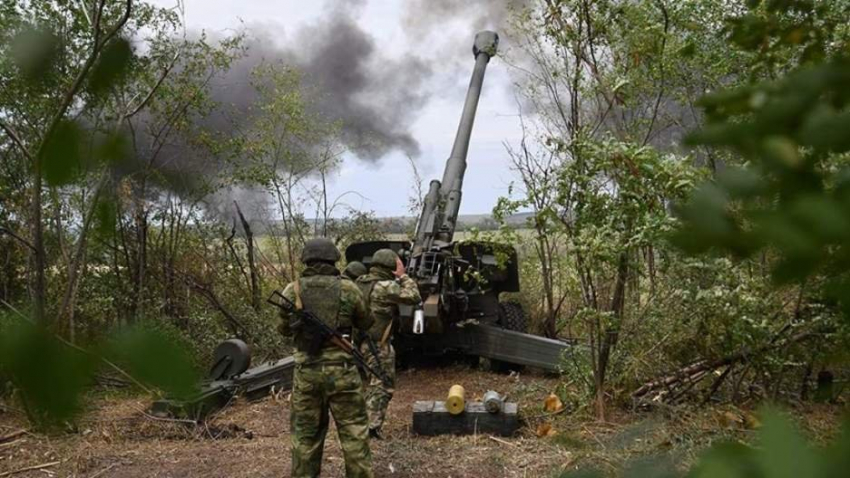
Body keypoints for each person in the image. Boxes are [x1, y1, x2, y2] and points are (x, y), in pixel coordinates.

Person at [278, 238, 374, 478]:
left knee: (305, 438)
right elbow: (366, 322)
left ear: (306, 260)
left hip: (307, 374)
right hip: (343, 372)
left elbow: (284, 329)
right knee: (354, 435)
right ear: (334, 259)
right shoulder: (349, 289)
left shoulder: (292, 290)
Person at [356, 248, 421, 439]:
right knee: (383, 385)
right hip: (378, 344)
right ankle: (371, 428)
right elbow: (414, 296)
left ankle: (364, 424)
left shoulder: (360, 283)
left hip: (360, 342)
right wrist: (403, 276)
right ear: (390, 267)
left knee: (371, 383)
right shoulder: (385, 287)